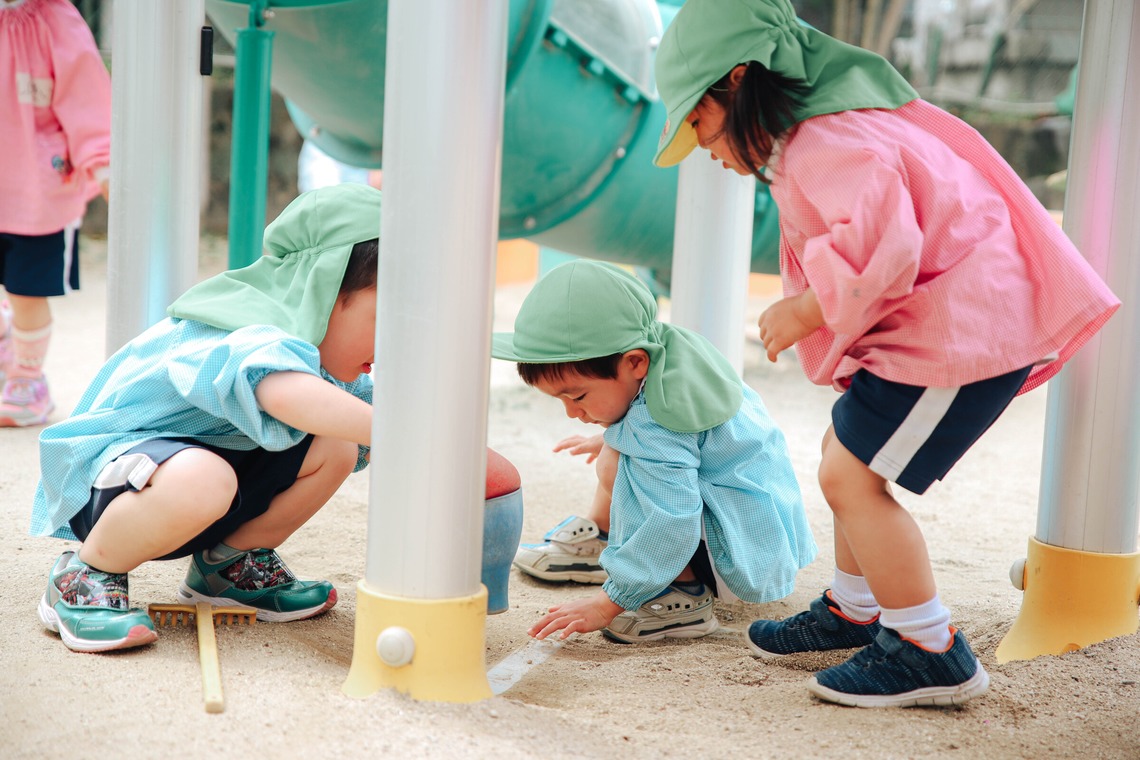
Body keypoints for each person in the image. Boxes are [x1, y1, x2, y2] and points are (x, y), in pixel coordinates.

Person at [652, 0, 1119, 707]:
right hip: (937, 324)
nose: (705, 148)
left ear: (740, 81)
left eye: (698, 121)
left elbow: (888, 249)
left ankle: (929, 647)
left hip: (960, 333)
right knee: (844, 450)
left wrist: (803, 308)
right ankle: (855, 608)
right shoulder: (825, 132)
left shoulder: (824, 140)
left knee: (850, 477)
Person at [30, 183, 381, 653]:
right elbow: (284, 391)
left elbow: (363, 415)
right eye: (385, 319)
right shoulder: (244, 326)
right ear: (324, 284)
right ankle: (86, 574)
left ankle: (226, 566)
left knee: (337, 444)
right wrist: (402, 432)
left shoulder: (320, 358)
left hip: (199, 485)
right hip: (119, 479)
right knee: (205, 476)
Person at [493, 259, 817, 643]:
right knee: (622, 449)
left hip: (738, 555)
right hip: (762, 529)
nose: (572, 412)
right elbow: (697, 439)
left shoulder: (655, 425)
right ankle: (605, 536)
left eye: (578, 396)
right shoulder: (671, 354)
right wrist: (609, 437)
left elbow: (671, 521)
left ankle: (680, 593)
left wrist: (609, 602)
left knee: (625, 463)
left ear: (634, 362)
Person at [0, 0, 111, 427]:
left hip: (36, 190)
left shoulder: (52, 19)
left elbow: (85, 94)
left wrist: (102, 163)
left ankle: (28, 380)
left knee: (27, 293)